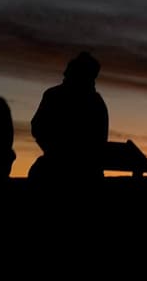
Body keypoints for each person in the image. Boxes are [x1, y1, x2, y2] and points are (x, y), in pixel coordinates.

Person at [29, 51, 109, 191]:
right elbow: (37, 127)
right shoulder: (97, 102)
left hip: (73, 170)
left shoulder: (55, 95)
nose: (64, 74)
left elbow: (37, 127)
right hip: (83, 172)